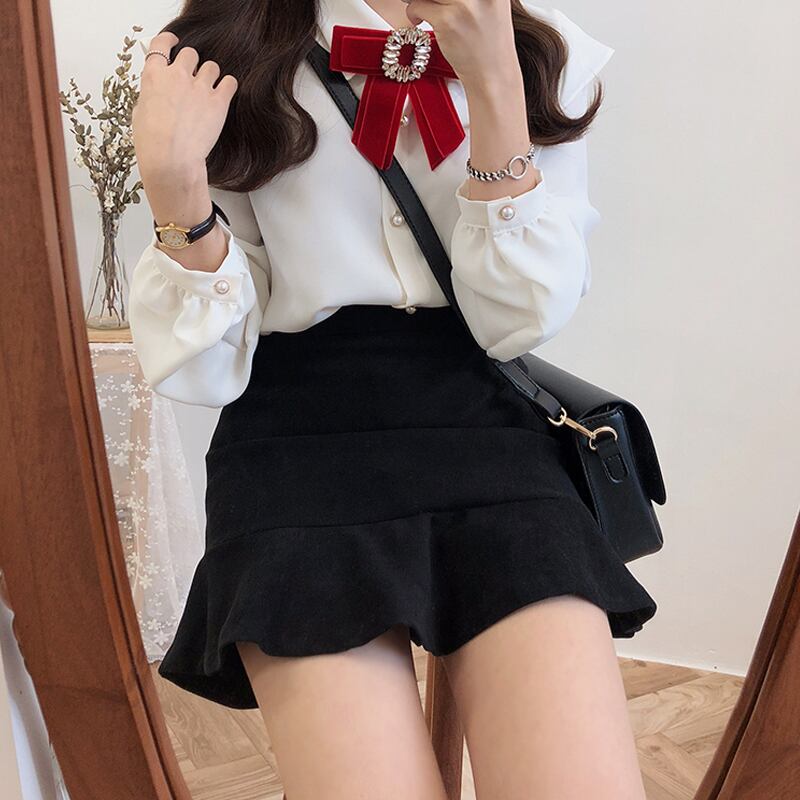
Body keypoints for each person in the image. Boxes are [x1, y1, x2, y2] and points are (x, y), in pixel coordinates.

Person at [129, 1, 655, 797]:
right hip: (293, 447)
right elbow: (206, 367)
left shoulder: (540, 49)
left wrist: (494, 83)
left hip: (485, 426)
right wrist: (174, 189)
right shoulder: (228, 46)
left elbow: (519, 317)